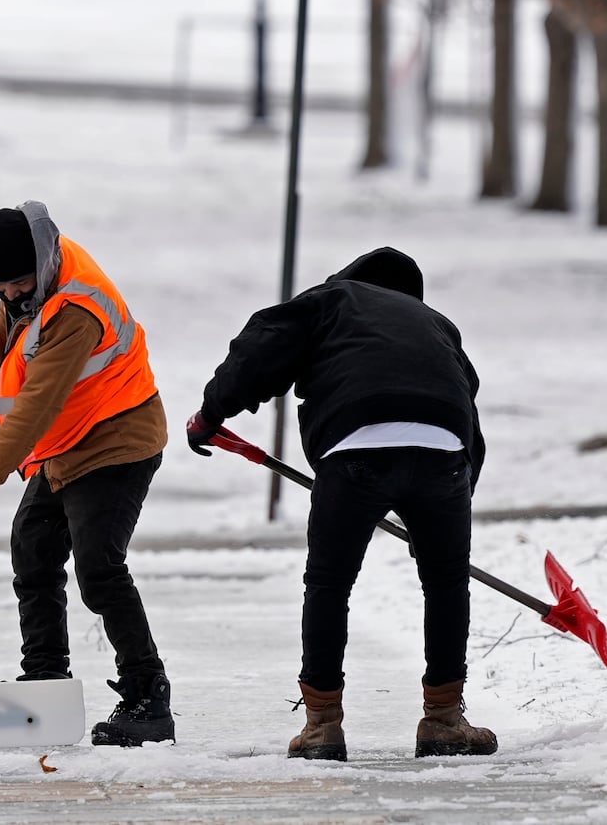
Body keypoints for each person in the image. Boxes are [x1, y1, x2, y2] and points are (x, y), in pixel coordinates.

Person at [184, 246, 496, 762]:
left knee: (329, 585)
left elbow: (264, 344)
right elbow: (465, 405)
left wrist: (212, 411)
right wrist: (454, 499)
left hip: (355, 447)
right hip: (445, 451)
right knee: (446, 583)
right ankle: (443, 719)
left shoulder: (333, 299)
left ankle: (321, 726)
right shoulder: (436, 324)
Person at [0, 200, 174, 747]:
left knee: (99, 567)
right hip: (65, 442)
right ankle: (45, 680)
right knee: (33, 549)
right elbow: (17, 335)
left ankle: (148, 696)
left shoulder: (76, 309)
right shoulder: (40, 276)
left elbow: (33, 409)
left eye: (17, 284)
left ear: (38, 265)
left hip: (117, 438)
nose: (10, 295)